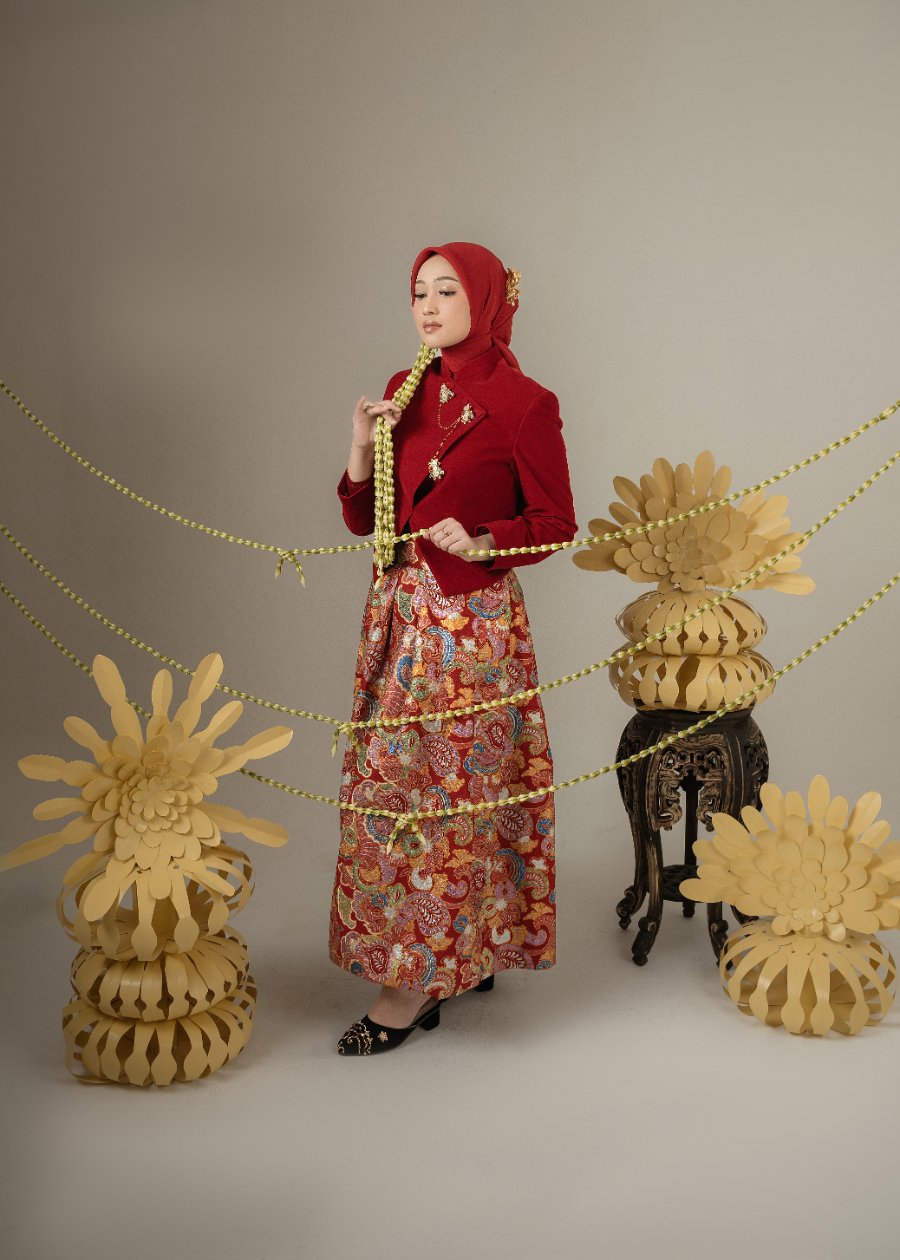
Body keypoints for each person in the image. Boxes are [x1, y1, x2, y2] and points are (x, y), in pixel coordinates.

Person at [329, 241, 578, 1055]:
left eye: (446, 291)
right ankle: (447, 958)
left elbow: (555, 523)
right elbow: (367, 520)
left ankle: (411, 985)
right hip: (399, 616)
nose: (427, 307)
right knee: (391, 788)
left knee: (448, 795)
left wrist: (482, 539)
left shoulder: (525, 403)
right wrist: (360, 446)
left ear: (486, 300)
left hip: (471, 626)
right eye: (418, 292)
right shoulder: (407, 390)